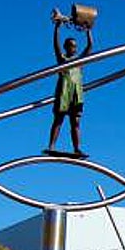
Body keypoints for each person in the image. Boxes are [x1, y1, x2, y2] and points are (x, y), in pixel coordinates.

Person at [47, 13, 93, 157]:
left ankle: (77, 148)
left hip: (76, 93)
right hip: (64, 91)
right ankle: (52, 145)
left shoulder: (79, 62)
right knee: (59, 120)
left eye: (75, 46)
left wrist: (88, 30)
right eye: (71, 46)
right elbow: (55, 45)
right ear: (67, 47)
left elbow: (90, 46)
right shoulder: (63, 59)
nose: (74, 48)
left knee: (76, 122)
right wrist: (57, 28)